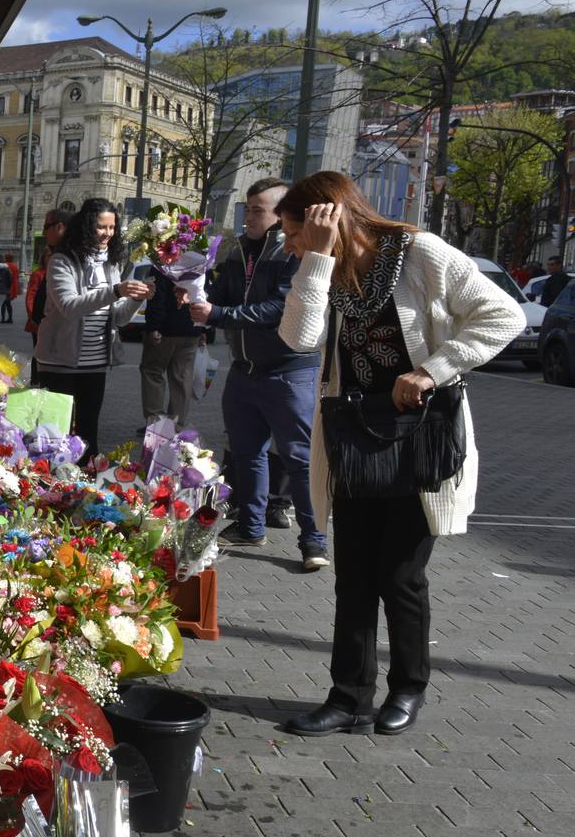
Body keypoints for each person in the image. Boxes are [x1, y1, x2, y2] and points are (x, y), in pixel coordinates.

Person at [275, 171, 523, 738]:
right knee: (354, 576)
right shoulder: (324, 267)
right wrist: (314, 261)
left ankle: (408, 689)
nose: (289, 246)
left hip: (422, 439)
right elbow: (300, 338)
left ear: (326, 216)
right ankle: (347, 697)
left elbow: (503, 315)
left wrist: (432, 370)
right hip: (357, 437)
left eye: (293, 233)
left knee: (400, 574)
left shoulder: (419, 254)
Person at [192, 177, 328, 570]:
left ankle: (313, 541)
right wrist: (190, 288)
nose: (249, 215)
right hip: (244, 370)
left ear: (281, 215)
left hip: (290, 372)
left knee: (299, 459)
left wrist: (218, 315)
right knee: (246, 452)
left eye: (258, 209)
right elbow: (221, 296)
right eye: (247, 208)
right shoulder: (236, 251)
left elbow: (279, 308)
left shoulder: (294, 250)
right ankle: (251, 525)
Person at [33, 199, 152, 459]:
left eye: (112, 228)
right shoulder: (62, 261)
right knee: (56, 436)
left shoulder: (111, 264)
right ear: (86, 227)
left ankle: (84, 491)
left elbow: (118, 318)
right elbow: (69, 307)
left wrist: (136, 299)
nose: (107, 233)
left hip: (95, 363)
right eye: (101, 227)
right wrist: (115, 291)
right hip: (58, 361)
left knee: (88, 436)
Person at [140, 270, 205, 426]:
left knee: (152, 373)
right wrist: (203, 328)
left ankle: (156, 424)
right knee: (182, 379)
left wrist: (153, 326)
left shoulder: (164, 264)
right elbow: (204, 295)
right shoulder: (199, 264)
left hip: (165, 330)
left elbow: (157, 295)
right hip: (191, 329)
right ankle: (176, 425)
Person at [27, 209, 71, 344]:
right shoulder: (41, 272)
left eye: (46, 227)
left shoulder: (64, 262)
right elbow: (33, 298)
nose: (44, 233)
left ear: (59, 227)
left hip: (55, 332)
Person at [2, 255, 21, 325]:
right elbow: (17, 277)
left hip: (5, 286)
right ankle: (10, 318)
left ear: (6, 258)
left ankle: (3, 318)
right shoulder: (15, 266)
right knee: (8, 303)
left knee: (3, 303)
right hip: (13, 286)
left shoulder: (4, 265)